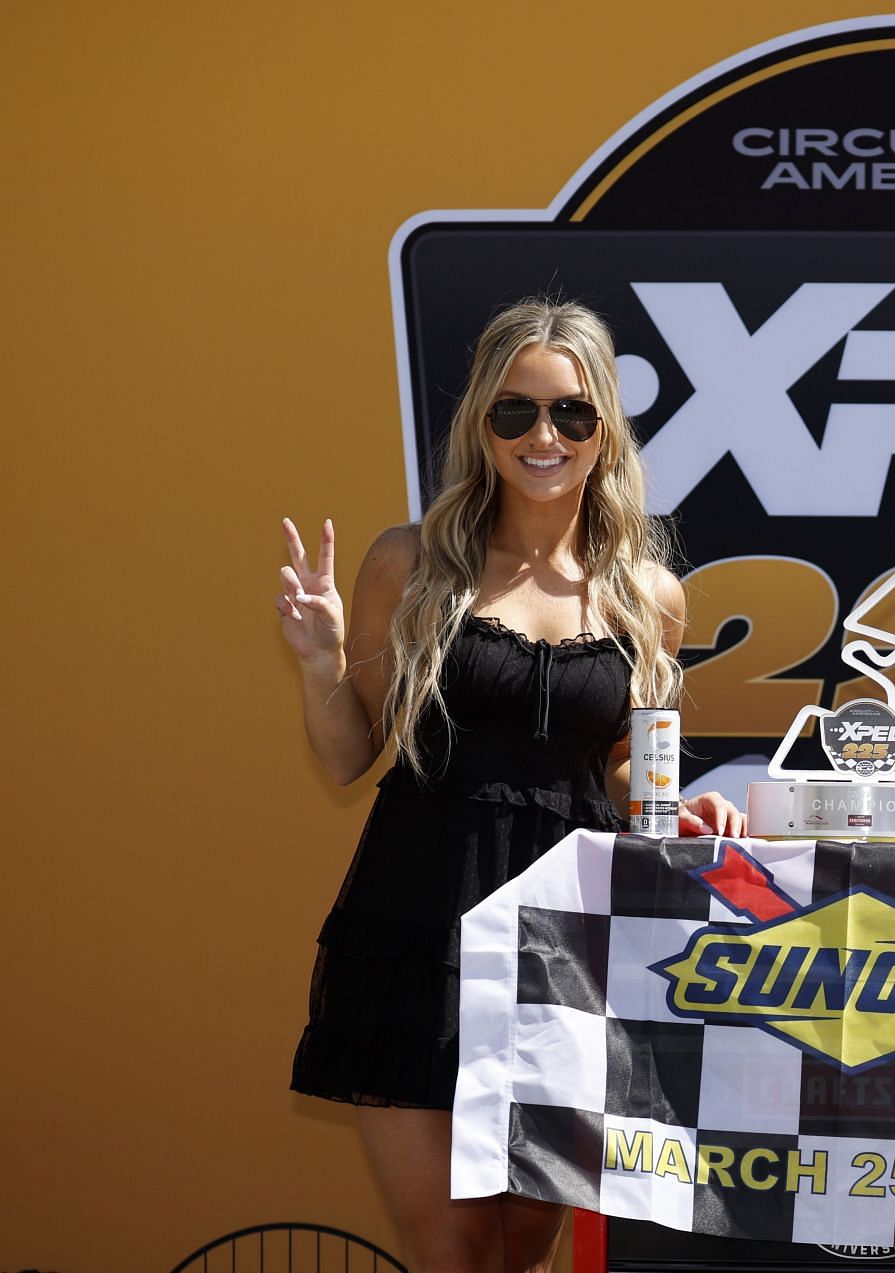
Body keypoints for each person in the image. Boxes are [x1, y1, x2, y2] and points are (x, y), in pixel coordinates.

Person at [276, 298, 744, 1272]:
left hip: (569, 937)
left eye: (572, 414)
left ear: (603, 428)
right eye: (515, 412)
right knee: (453, 1249)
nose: (544, 436)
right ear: (480, 425)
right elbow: (346, 755)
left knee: (525, 1245)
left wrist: (678, 807)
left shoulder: (649, 596)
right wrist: (323, 661)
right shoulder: (408, 566)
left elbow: (627, 766)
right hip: (420, 916)